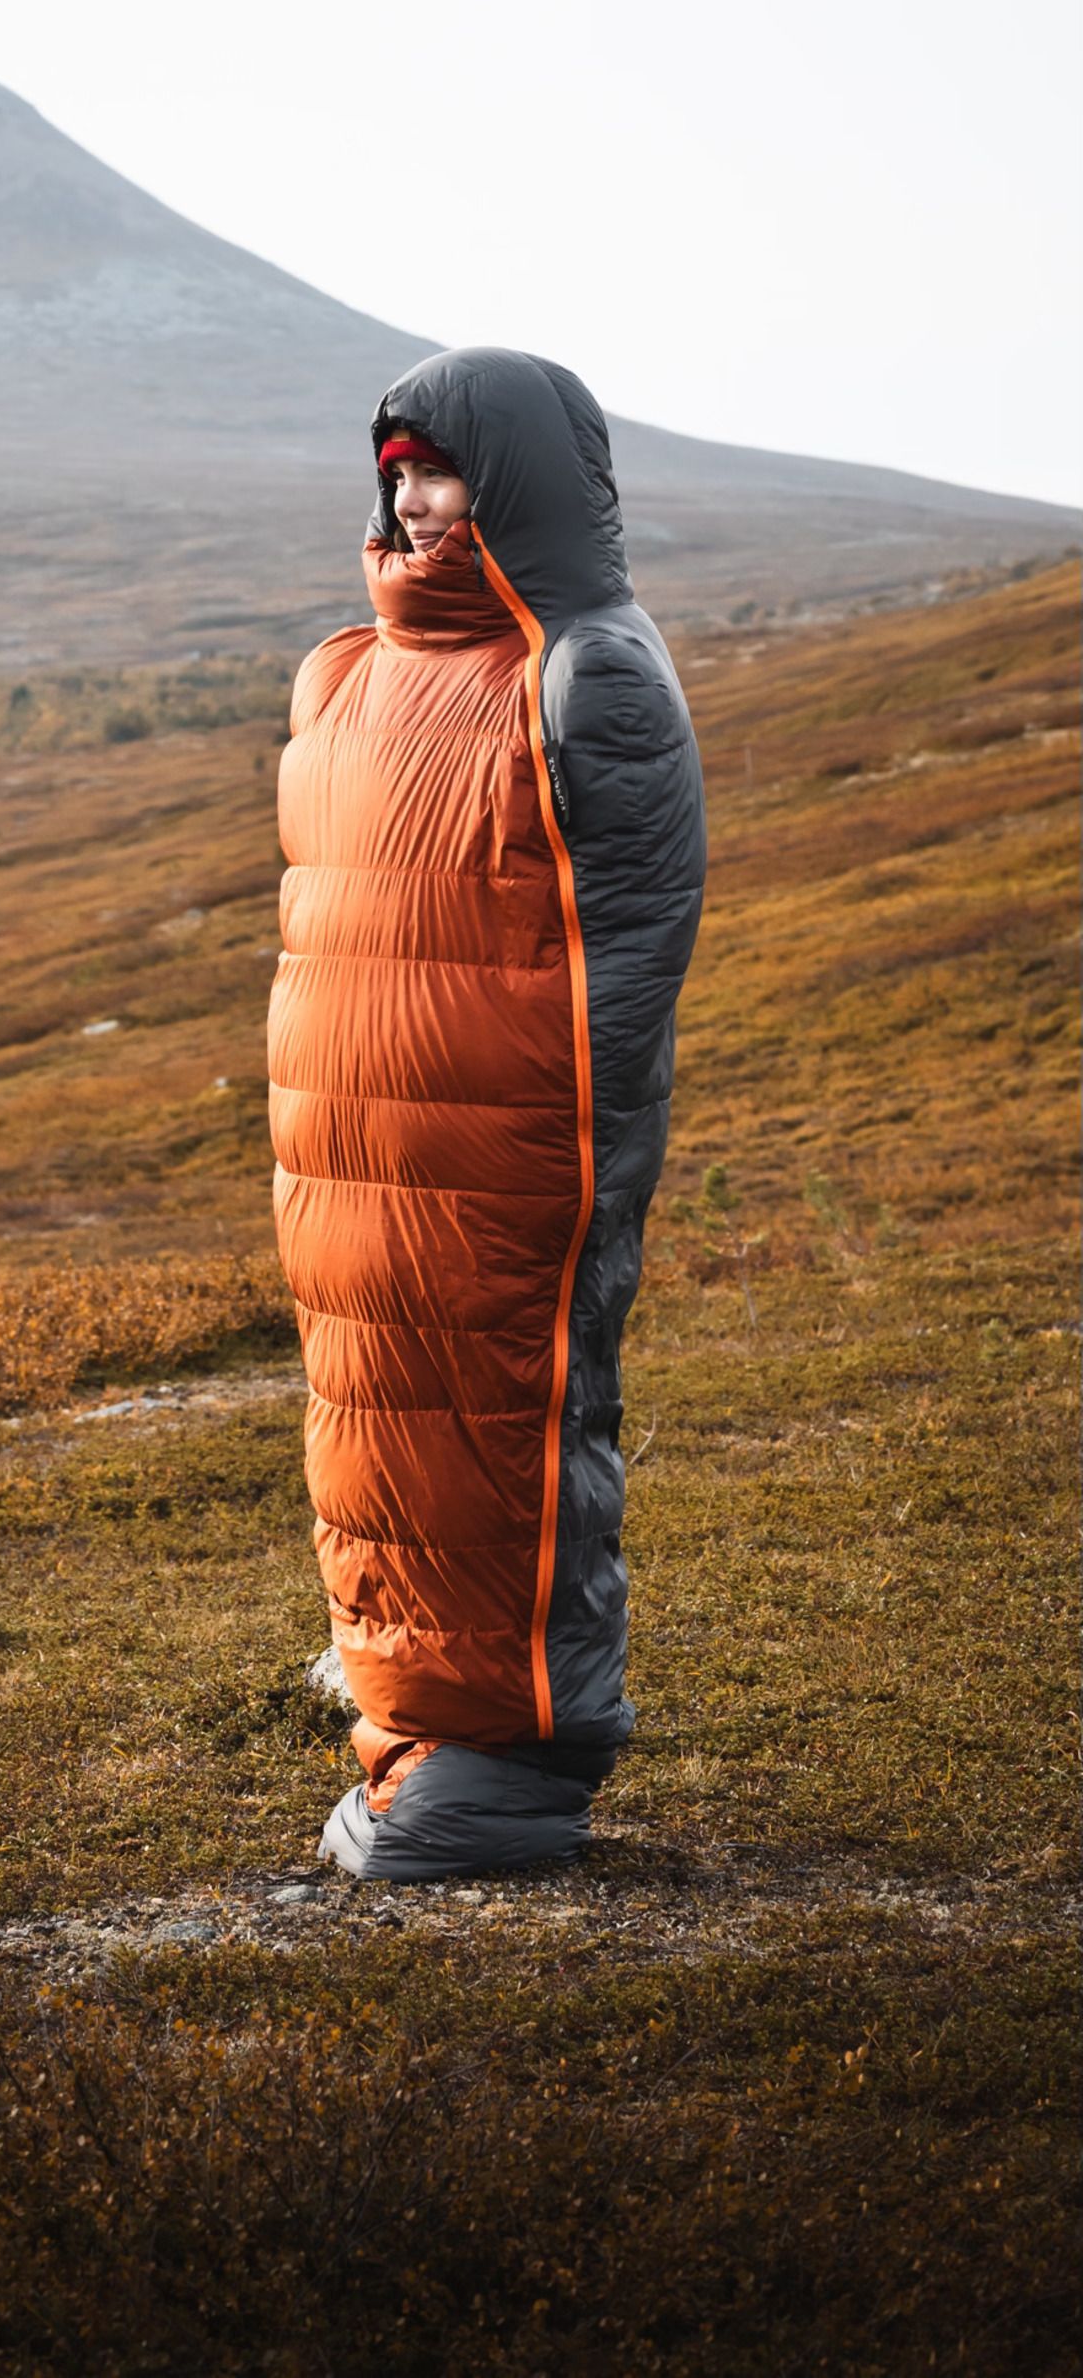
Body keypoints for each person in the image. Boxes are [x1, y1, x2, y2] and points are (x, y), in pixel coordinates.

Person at [268, 346, 705, 1879]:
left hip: (508, 1151)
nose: (412, 497)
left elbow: (636, 950)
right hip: (351, 1151)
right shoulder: (347, 668)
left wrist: (555, 1151)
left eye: (441, 471)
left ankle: (515, 1762)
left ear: (515, 482)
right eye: (395, 473)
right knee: (374, 1448)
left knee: (504, 1436)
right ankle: (410, 1734)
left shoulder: (586, 670)